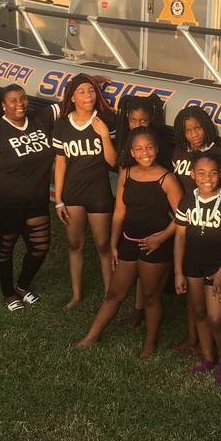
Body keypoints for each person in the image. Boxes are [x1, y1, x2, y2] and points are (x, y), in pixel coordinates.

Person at [75, 127, 182, 357]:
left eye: (150, 147)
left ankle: (150, 343)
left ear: (156, 149)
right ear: (132, 152)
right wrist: (113, 244)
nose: (145, 153)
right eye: (139, 149)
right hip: (129, 241)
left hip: (156, 245)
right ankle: (91, 336)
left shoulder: (167, 179)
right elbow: (120, 213)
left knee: (152, 297)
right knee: (115, 293)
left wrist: (161, 238)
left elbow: (183, 217)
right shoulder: (126, 174)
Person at [0, 84, 57, 312]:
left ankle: (22, 285)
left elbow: (69, 101)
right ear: (3, 105)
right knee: (4, 251)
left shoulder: (39, 121)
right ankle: (8, 294)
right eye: (13, 100)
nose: (20, 104)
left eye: (23, 98)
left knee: (40, 248)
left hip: (36, 203)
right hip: (5, 206)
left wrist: (89, 82)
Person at [174, 154, 221, 384]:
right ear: (192, 175)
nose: (207, 178)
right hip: (193, 264)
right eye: (201, 173)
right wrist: (177, 271)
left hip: (217, 266)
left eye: (213, 173)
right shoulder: (186, 201)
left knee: (216, 317)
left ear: (220, 174)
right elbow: (180, 237)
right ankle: (207, 357)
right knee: (200, 312)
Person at [171, 105, 221, 353]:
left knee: (212, 299)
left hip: (211, 227)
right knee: (191, 291)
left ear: (206, 127)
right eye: (188, 130)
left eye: (198, 128)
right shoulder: (178, 154)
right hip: (185, 222)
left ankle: (218, 346)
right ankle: (193, 338)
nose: (194, 134)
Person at [52, 73, 117, 309]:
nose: (88, 95)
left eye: (91, 91)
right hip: (73, 194)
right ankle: (77, 295)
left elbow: (112, 161)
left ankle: (110, 295)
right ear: (72, 98)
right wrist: (58, 200)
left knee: (103, 245)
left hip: (99, 193)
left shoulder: (106, 121)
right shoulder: (61, 125)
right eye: (82, 92)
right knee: (75, 244)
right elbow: (60, 163)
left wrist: (104, 137)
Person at [114, 94, 170, 326]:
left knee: (150, 284)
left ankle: (142, 311)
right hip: (131, 212)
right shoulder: (124, 143)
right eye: (133, 120)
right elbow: (120, 202)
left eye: (143, 121)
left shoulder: (156, 149)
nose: (137, 125)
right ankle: (137, 310)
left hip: (156, 219)